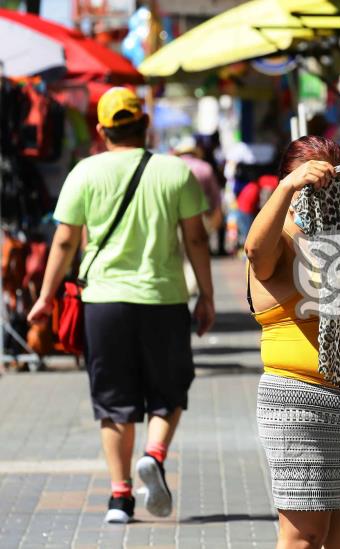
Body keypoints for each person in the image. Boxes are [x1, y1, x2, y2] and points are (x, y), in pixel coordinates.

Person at [27, 87, 215, 525]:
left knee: (114, 402)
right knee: (168, 391)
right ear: (145, 124)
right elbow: (197, 239)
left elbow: (65, 240)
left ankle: (119, 498)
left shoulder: (84, 173)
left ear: (101, 130)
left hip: (103, 302)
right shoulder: (176, 172)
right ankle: (154, 454)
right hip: (163, 299)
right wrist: (206, 295)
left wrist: (44, 296)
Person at [245, 136, 340, 549]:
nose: (320, 196)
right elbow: (254, 251)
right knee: (304, 534)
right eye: (309, 186)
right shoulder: (281, 237)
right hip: (298, 404)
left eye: (331, 186)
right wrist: (286, 189)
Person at [173, 136, 223, 236]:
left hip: (177, 219)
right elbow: (215, 196)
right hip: (202, 217)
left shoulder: (172, 168)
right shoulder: (205, 167)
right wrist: (217, 215)